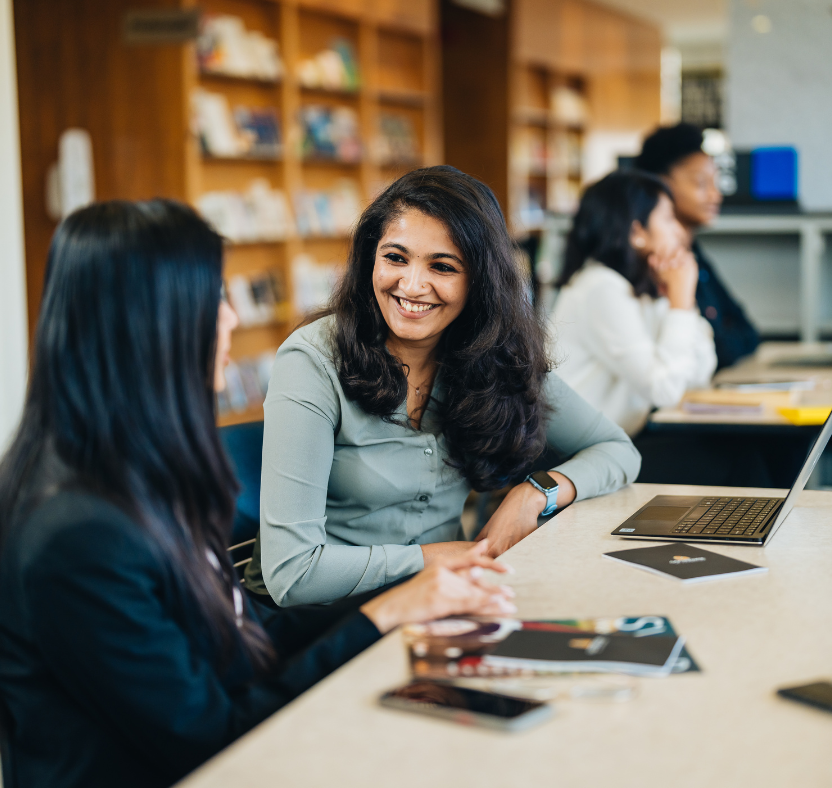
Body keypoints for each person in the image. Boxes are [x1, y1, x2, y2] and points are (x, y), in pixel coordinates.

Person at [0, 200, 516, 788]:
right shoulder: (78, 535)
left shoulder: (137, 478)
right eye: (213, 298)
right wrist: (383, 614)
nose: (230, 319)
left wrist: (412, 599)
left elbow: (244, 644)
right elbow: (215, 737)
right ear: (152, 324)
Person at [244, 166, 640, 607]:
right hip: (328, 622)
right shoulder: (313, 360)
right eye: (395, 257)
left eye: (443, 266)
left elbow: (617, 449)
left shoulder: (493, 353)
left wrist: (537, 493)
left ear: (481, 282)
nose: (411, 285)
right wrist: (431, 560)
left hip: (443, 601)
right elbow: (292, 575)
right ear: (370, 258)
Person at [550, 170, 717, 437]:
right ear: (637, 231)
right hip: (579, 455)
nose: (679, 230)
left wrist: (678, 300)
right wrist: (681, 301)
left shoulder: (640, 289)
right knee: (740, 463)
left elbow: (699, 373)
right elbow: (665, 390)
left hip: (619, 442)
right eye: (668, 218)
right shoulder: (600, 287)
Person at [634, 123, 760, 370]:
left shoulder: (694, 254)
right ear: (661, 186)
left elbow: (747, 332)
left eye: (716, 183)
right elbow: (716, 351)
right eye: (701, 183)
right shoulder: (653, 262)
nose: (716, 195)